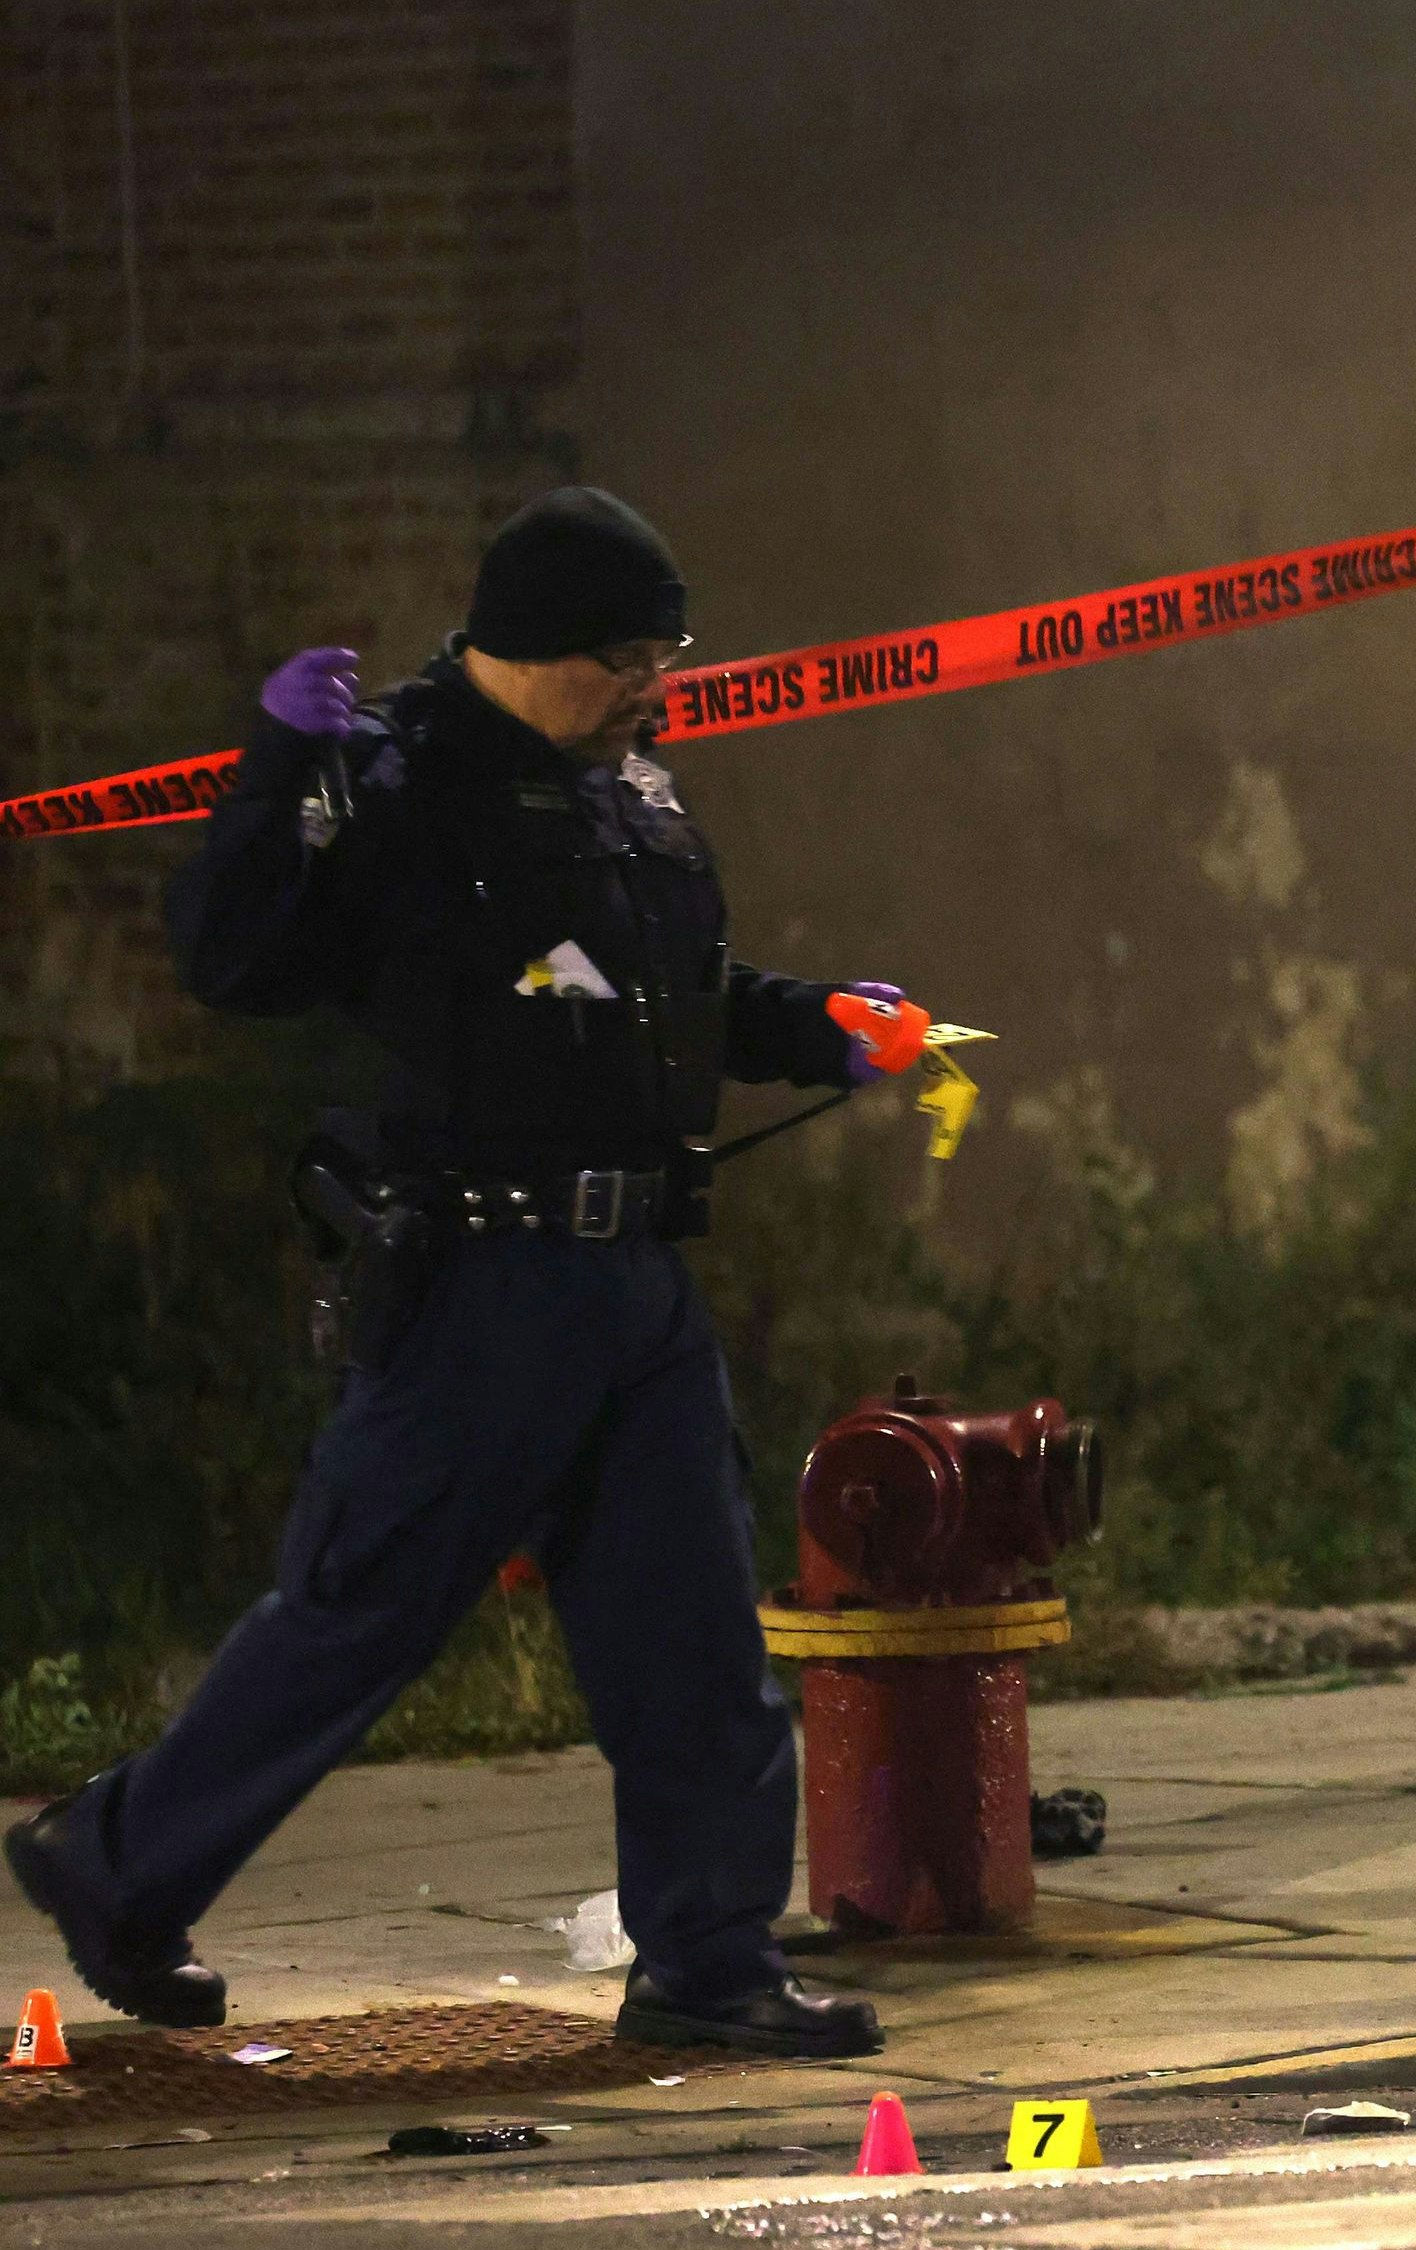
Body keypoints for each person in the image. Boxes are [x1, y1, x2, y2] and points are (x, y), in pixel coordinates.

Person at [5, 489, 900, 2058]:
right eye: (626, 656)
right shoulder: (397, 786)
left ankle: (707, 1956)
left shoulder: (629, 792)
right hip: (480, 1286)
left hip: (632, 1281)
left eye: (665, 654)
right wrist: (277, 766)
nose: (654, 687)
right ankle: (117, 1860)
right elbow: (236, 958)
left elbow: (673, 998)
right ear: (534, 645)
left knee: (693, 1637)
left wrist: (821, 1022)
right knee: (355, 1618)